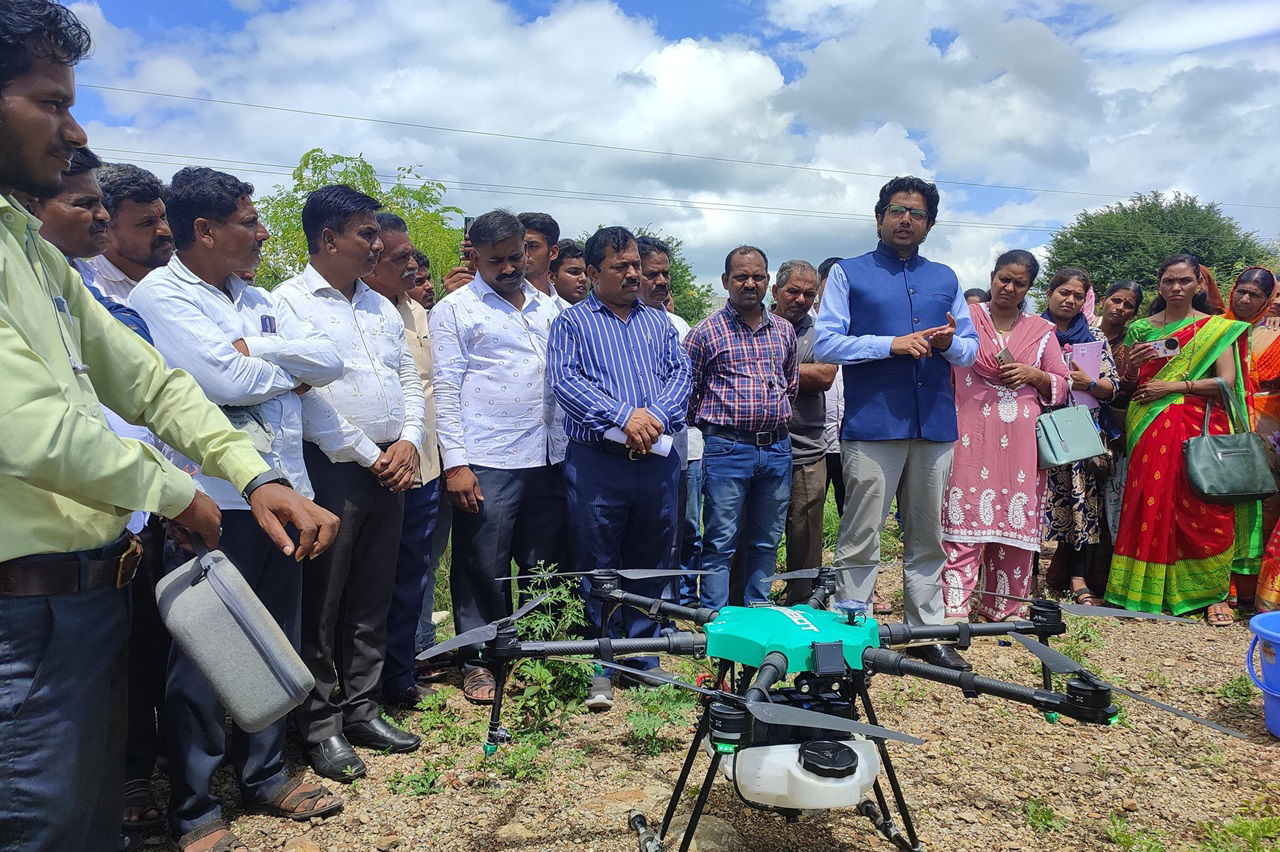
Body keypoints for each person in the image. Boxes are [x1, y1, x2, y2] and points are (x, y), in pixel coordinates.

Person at [0, 6, 338, 849]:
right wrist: (177, 489)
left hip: (82, 598)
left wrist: (250, 472)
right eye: (49, 103)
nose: (74, 130)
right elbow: (27, 426)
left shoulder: (29, 250)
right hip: (20, 617)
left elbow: (149, 379)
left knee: (84, 820)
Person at [130, 166, 349, 850]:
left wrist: (264, 356)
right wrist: (281, 372)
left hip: (285, 493)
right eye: (249, 223)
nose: (262, 234)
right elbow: (220, 379)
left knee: (273, 642)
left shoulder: (254, 299)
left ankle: (265, 775)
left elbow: (330, 360)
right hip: (218, 501)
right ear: (205, 229)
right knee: (207, 654)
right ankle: (194, 807)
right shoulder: (161, 296)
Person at [23, 144, 174, 842]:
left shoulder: (72, 286)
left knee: (127, 679)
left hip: (120, 530)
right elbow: (41, 434)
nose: (100, 218)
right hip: (35, 577)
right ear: (31, 206)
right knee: (41, 801)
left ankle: (130, 784)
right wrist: (171, 489)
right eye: (85, 204)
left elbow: (154, 388)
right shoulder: (31, 277)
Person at [275, 185, 427, 780]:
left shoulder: (379, 305)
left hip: (391, 467)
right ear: (328, 238)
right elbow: (306, 397)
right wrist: (371, 454)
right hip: (331, 471)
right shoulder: (288, 303)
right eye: (365, 234)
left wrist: (410, 441)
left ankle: (361, 708)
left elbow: (408, 380)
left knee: (371, 594)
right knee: (323, 600)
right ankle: (319, 724)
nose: (377, 244)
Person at [814, 176, 979, 669]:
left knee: (928, 534)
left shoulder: (946, 278)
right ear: (879, 216)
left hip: (935, 424)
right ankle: (852, 630)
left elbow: (970, 351)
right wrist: (891, 343)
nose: (906, 219)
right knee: (861, 531)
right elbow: (825, 343)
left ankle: (926, 632)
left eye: (918, 213)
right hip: (873, 424)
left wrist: (949, 345)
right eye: (897, 210)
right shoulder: (849, 273)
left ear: (929, 225)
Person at [429, 209, 567, 705]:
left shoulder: (548, 308)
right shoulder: (454, 310)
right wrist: (457, 464)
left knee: (540, 563)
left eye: (517, 256)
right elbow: (444, 389)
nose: (510, 268)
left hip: (549, 456)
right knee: (481, 563)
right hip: (488, 457)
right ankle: (480, 660)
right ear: (474, 255)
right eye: (496, 261)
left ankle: (533, 653)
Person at [549, 226, 691, 706]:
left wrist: (653, 418)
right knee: (598, 560)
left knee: (651, 559)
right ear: (592, 273)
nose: (633, 274)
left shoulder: (659, 323)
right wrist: (623, 416)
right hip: (599, 463)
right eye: (620, 267)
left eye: (635, 265)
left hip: (656, 463)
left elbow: (681, 376)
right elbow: (565, 382)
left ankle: (645, 655)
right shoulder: (571, 324)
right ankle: (603, 659)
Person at [1106, 254, 1252, 622]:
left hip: (1198, 425)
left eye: (1184, 281)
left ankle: (1211, 594)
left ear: (1198, 284)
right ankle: (1138, 589)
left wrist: (1175, 385)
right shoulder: (1141, 328)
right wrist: (1134, 365)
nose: (1176, 288)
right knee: (1149, 502)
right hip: (1149, 424)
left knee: (1202, 505)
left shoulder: (1216, 328)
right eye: (1169, 281)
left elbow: (1225, 382)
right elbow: (1127, 384)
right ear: (1159, 285)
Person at [938, 251, 1068, 621]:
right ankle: (955, 606)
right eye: (1004, 279)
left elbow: (1062, 384)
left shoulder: (1042, 332)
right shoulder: (967, 320)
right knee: (963, 524)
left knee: (1013, 527)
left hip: (1022, 445)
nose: (1009, 288)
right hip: (970, 435)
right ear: (992, 276)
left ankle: (1004, 608)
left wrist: (1032, 374)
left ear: (1029, 287)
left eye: (1020, 283)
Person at [359, 213, 443, 710]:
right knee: (367, 583)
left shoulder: (420, 313)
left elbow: (430, 388)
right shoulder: (355, 311)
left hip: (424, 466)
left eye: (412, 256)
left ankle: (400, 674)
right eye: (399, 258)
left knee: (413, 573)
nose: (411, 265)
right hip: (371, 469)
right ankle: (359, 689)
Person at [686, 245, 798, 608]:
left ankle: (758, 611)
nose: (750, 284)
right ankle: (714, 620)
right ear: (725, 281)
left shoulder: (783, 331)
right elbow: (689, 394)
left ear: (769, 282)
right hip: (727, 449)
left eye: (758, 277)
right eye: (741, 277)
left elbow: (790, 385)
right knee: (720, 539)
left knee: (767, 538)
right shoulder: (704, 333)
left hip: (778, 449)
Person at [1039, 268, 1118, 606]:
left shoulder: (1094, 339)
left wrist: (1087, 383)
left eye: (1077, 296)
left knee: (1079, 505)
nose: (1069, 300)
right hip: (1038, 429)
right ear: (1049, 293)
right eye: (1063, 292)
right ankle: (1024, 574)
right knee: (1034, 502)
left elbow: (1112, 388)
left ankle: (1076, 576)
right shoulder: (1031, 330)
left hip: (1080, 433)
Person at [638, 236, 704, 610]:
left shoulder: (679, 325)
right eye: (652, 274)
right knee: (644, 530)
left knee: (685, 528)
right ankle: (643, 606)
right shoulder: (605, 324)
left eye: (665, 273)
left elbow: (689, 382)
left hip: (681, 443)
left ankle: (676, 600)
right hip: (630, 441)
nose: (661, 281)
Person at [771, 259, 837, 603]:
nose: (800, 299)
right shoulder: (756, 323)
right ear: (775, 291)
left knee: (805, 534)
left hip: (807, 448)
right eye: (793, 291)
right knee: (757, 534)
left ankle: (801, 602)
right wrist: (801, 372)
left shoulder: (822, 330)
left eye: (808, 294)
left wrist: (763, 369)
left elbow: (825, 376)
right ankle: (752, 602)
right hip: (761, 448)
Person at [1225, 267, 1280, 611]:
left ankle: (1249, 589)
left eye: (1255, 295)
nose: (1245, 300)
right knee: (1218, 501)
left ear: (1268, 300)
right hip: (1218, 425)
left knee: (1262, 505)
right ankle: (1218, 586)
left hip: (1267, 432)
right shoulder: (1214, 326)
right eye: (1241, 291)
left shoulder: (1275, 338)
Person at [1093, 281, 1144, 543]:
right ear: (1104, 300)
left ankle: (1102, 570)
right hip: (1081, 419)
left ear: (1134, 313)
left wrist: (1131, 373)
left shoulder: (1135, 340)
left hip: (1118, 424)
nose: (1121, 308)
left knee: (1111, 495)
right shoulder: (1084, 332)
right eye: (1116, 300)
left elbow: (1132, 387)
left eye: (1129, 305)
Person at [83, 161, 173, 300]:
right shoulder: (89, 290)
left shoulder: (192, 279)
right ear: (105, 230)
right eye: (147, 222)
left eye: (163, 217)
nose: (165, 230)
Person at [518, 210, 560, 297]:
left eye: (532, 246)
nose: (525, 253)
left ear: (553, 252)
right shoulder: (496, 303)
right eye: (520, 246)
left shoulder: (563, 309)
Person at [551, 238, 589, 307]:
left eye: (587, 274)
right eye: (574, 272)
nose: (584, 278)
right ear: (551, 277)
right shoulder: (541, 311)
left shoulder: (597, 313)